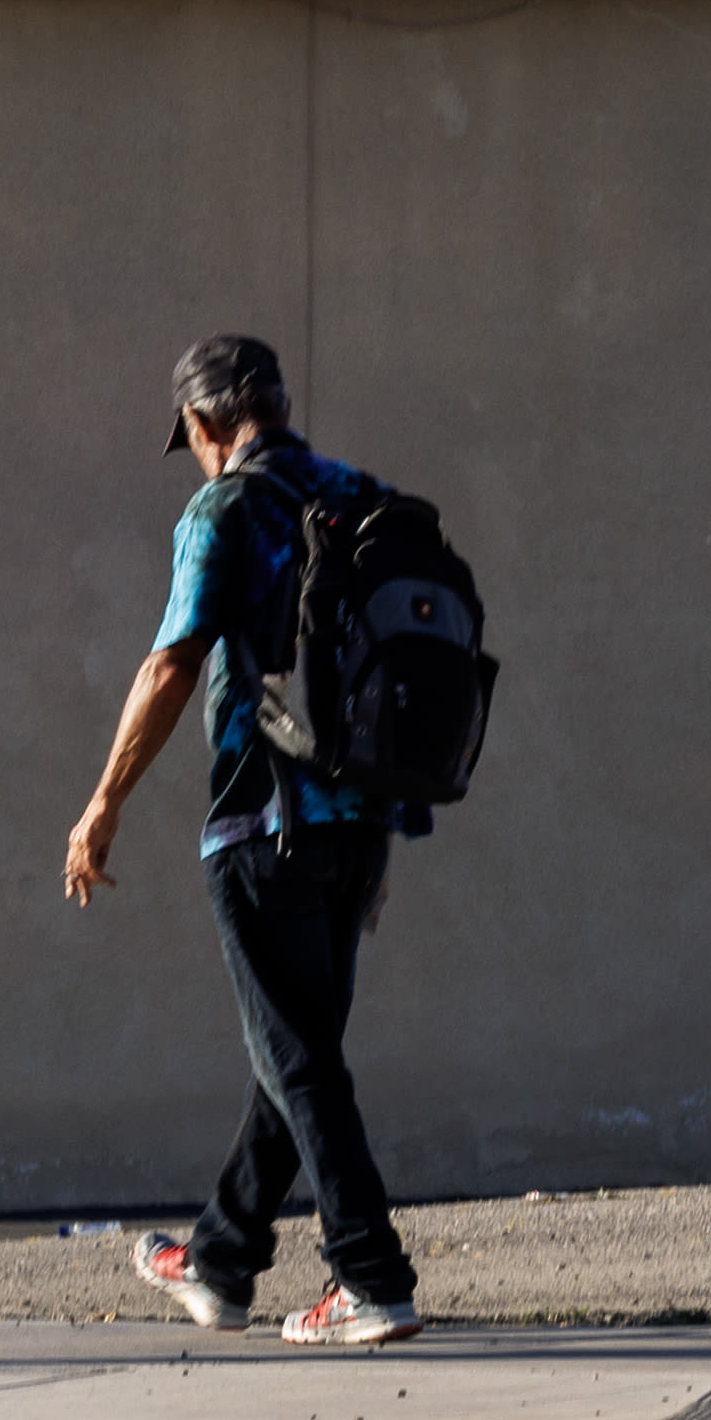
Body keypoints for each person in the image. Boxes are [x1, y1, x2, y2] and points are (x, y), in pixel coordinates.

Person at [63, 334, 421, 1347]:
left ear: (203, 422)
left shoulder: (223, 508)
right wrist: (381, 831)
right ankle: (220, 1258)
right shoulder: (355, 492)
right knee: (296, 1049)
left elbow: (171, 662)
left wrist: (102, 802)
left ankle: (369, 1276)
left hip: (259, 823)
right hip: (356, 822)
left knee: (296, 1054)